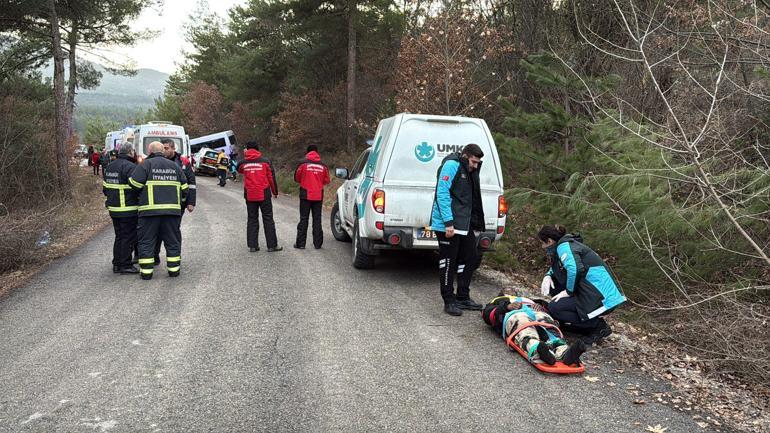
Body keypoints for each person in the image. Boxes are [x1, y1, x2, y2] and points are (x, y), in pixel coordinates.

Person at [538, 224, 627, 345]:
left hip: (600, 295)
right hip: (590, 290)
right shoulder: (565, 245)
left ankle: (597, 327)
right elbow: (560, 267)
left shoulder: (564, 247)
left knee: (555, 308)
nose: (542, 247)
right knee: (553, 286)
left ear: (550, 241)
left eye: (543, 243)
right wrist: (548, 275)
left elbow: (575, 269)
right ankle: (573, 323)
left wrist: (568, 292)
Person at [430, 143, 486, 316]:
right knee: (448, 261)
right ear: (464, 156)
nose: (475, 166)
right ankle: (449, 300)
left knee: (470, 257)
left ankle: (463, 296)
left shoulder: (469, 170)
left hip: (464, 223)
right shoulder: (451, 165)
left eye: (477, 163)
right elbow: (442, 193)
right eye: (473, 162)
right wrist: (448, 222)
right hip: (448, 224)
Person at [129, 141, 188, 280]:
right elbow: (185, 188)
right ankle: (174, 270)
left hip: (149, 212)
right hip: (172, 212)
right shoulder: (175, 166)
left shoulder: (145, 165)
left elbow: (134, 184)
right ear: (162, 150)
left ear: (150, 151)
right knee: (172, 241)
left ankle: (147, 273)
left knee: (147, 241)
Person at [482, 294, 586, 366]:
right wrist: (507, 307)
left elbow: (553, 310)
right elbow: (488, 314)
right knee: (524, 327)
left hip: (536, 312)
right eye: (507, 289)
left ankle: (564, 351)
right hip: (515, 314)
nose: (511, 290)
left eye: (512, 289)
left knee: (549, 326)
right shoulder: (498, 300)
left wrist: (541, 307)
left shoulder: (530, 300)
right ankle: (537, 349)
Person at [153, 138, 197, 263]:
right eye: (162, 148)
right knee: (156, 230)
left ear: (173, 148)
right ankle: (154, 255)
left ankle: (175, 257)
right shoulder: (155, 161)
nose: (164, 150)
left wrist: (190, 202)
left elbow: (191, 183)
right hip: (157, 202)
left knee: (173, 231)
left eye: (166, 148)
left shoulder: (183, 162)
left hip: (177, 204)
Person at [237, 141, 282, 252]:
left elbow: (238, 169)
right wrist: (275, 192)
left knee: (252, 219)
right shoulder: (265, 162)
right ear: (258, 150)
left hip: (250, 194)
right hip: (264, 194)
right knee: (268, 219)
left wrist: (245, 156)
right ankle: (272, 246)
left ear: (247, 149)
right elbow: (271, 178)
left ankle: (253, 246)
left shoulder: (243, 162)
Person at [102, 144, 139, 275]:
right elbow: (137, 186)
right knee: (128, 237)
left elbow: (105, 188)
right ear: (130, 152)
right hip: (128, 208)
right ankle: (125, 264)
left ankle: (117, 263)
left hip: (114, 208)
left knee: (119, 236)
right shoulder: (131, 167)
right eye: (133, 151)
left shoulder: (111, 166)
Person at [293, 145, 330, 249]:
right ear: (317, 152)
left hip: (305, 194)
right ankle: (318, 244)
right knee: (317, 219)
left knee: (304, 218)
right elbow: (327, 180)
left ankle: (300, 244)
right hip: (318, 194)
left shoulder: (302, 163)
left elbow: (296, 178)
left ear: (307, 152)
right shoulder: (323, 165)